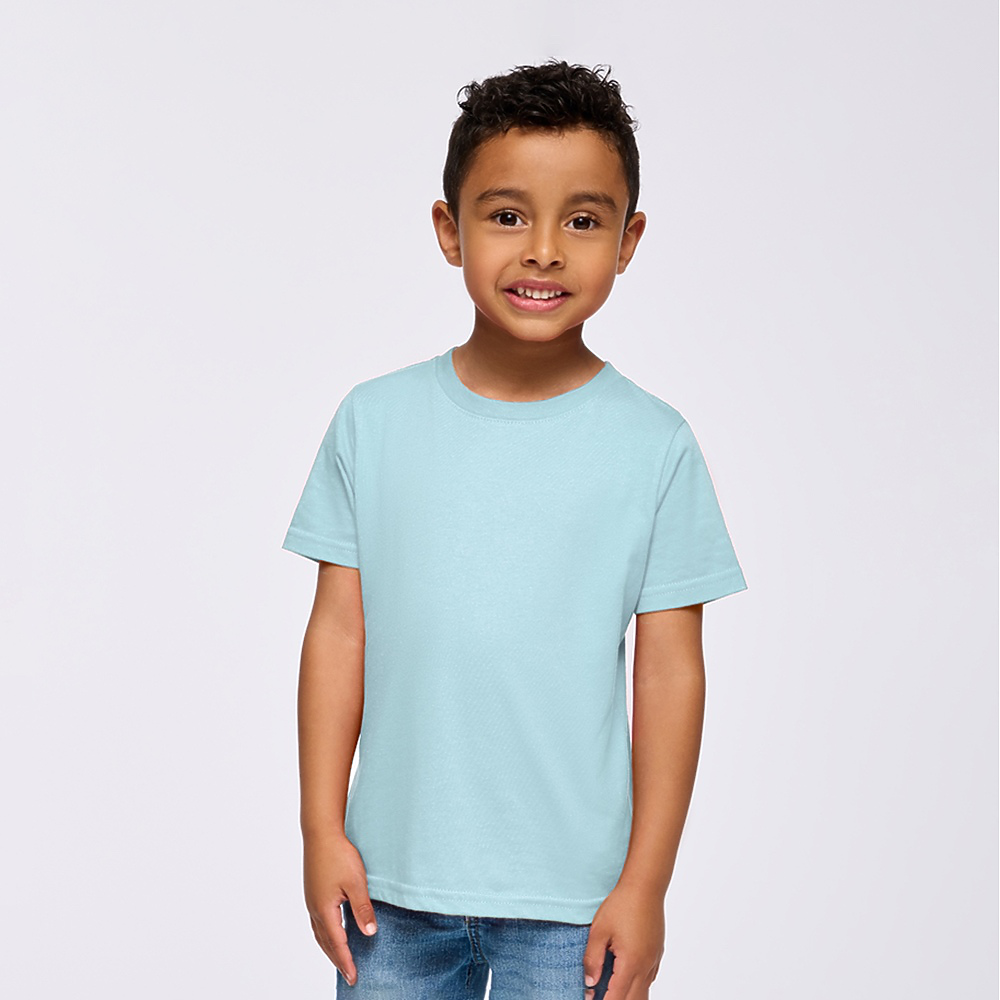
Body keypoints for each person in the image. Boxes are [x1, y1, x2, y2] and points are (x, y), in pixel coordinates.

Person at [281, 59, 747, 1000]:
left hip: (578, 903)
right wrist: (320, 830)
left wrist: (646, 885)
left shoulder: (654, 446)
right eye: (506, 215)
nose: (543, 251)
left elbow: (669, 674)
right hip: (388, 894)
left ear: (628, 239)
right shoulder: (373, 423)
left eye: (582, 221)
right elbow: (339, 634)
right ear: (449, 230)